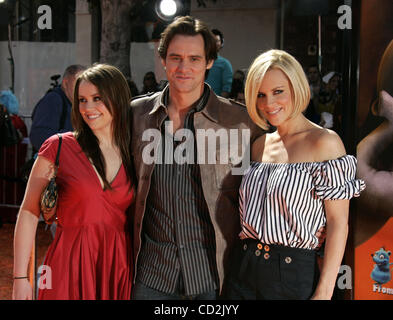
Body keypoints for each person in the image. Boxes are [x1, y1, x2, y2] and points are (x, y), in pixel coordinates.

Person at [130, 16, 264, 300]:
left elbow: (274, 180)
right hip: (151, 274)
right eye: (175, 57)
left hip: (213, 275)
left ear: (209, 62)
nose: (184, 67)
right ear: (163, 60)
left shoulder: (241, 122)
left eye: (194, 58)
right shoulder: (136, 116)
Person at [223, 49, 365, 300]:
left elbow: (338, 224)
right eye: (260, 95)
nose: (269, 103)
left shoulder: (325, 142)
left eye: (278, 91)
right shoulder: (259, 145)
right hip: (242, 269)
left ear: (296, 87)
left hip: (292, 274)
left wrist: (324, 291)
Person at [12, 64, 136, 300]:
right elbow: (28, 212)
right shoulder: (59, 146)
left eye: (97, 98)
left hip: (117, 267)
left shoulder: (134, 152)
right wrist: (20, 278)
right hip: (68, 263)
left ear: (117, 99)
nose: (88, 108)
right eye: (82, 100)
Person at [30, 64, 86, 152]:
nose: (82, 89)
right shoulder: (53, 100)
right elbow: (39, 136)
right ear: (65, 83)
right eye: (77, 84)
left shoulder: (79, 103)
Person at [205, 29, 233, 98]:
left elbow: (226, 89)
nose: (214, 43)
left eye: (216, 41)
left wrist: (218, 105)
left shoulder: (225, 64)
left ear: (221, 43)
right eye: (211, 41)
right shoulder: (200, 61)